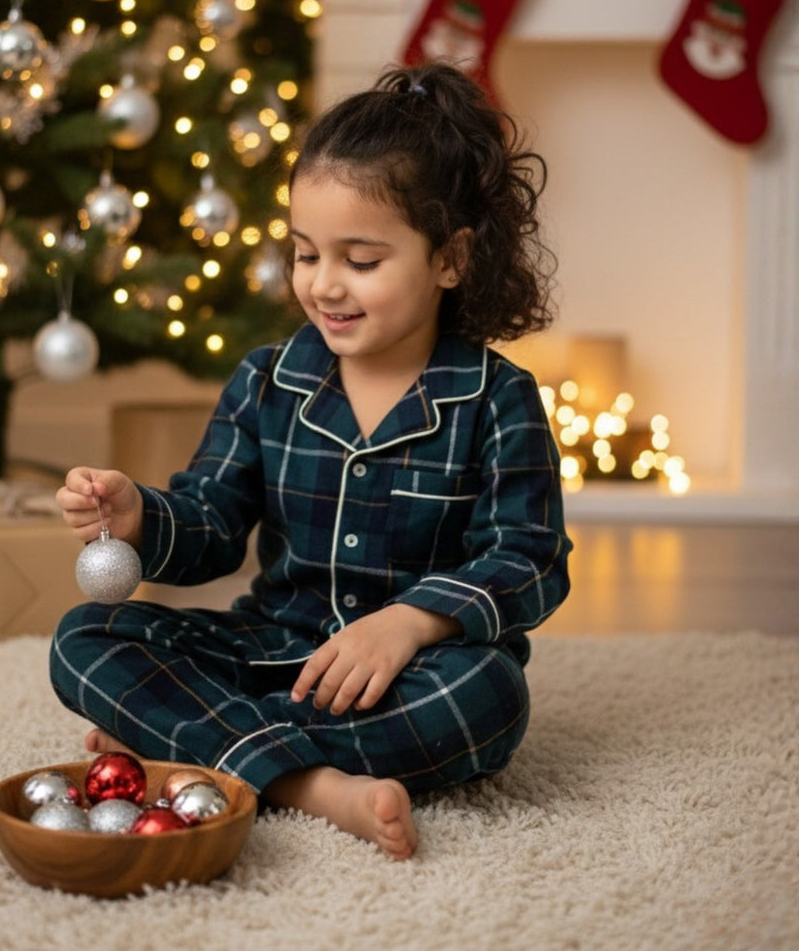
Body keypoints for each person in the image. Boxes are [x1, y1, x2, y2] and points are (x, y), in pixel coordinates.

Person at [50, 62, 572, 860]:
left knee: (491, 697)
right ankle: (316, 787)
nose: (325, 286)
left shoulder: (496, 399)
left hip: (414, 673)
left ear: (450, 260)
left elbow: (532, 561)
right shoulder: (267, 380)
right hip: (270, 653)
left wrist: (408, 623)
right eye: (305, 255)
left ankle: (199, 745)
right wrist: (140, 516)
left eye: (361, 261)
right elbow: (213, 524)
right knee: (84, 638)